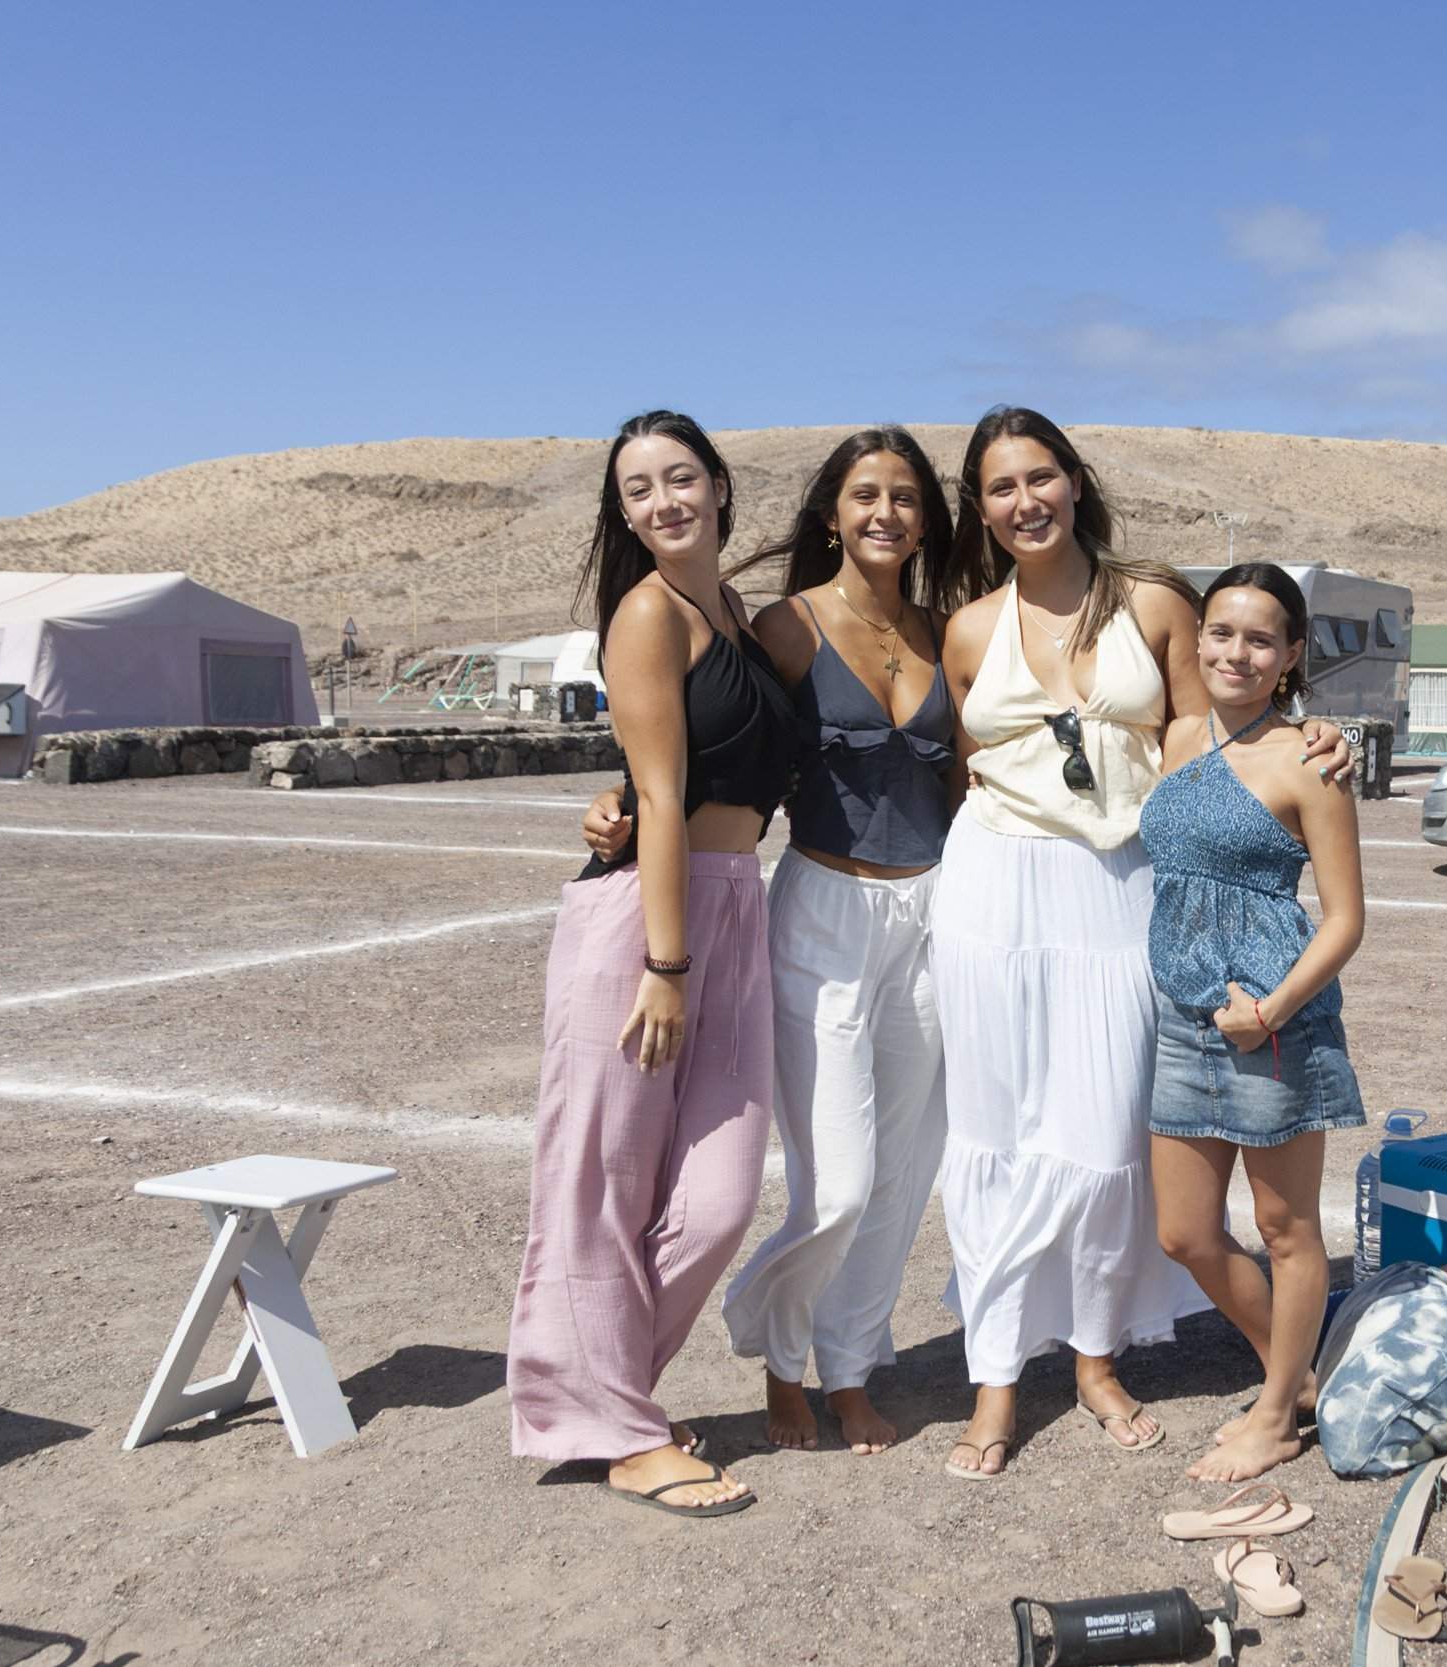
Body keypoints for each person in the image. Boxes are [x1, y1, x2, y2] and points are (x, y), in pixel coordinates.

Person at [929, 407, 1353, 1479]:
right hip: (992, 889)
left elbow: (1216, 736)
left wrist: (1319, 727)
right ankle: (996, 1370)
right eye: (998, 486)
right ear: (978, 508)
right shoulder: (968, 626)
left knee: (1108, 1140)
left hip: (1122, 896)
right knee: (1000, 1131)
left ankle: (1101, 1359)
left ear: (1074, 481)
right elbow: (945, 763)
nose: (1024, 499)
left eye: (1041, 475)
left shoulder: (1157, 602)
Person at [581, 427, 974, 1456]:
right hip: (819, 912)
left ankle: (848, 1366)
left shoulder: (948, 635)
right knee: (835, 1179)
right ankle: (777, 1351)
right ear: (831, 515)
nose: (882, 512)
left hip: (931, 916)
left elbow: (972, 779)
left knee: (901, 1175)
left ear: (923, 517)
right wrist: (618, 803)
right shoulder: (784, 626)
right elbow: (718, 738)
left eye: (901, 496)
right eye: (861, 496)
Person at [507, 410, 797, 1518]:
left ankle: (606, 1386)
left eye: (681, 478)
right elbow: (662, 796)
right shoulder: (642, 614)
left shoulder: (734, 612)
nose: (664, 501)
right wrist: (664, 962)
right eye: (639, 489)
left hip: (734, 901)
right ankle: (614, 1426)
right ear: (622, 512)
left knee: (718, 1198)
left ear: (720, 487)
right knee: (601, 1179)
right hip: (643, 919)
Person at [1141, 563, 1365, 1483]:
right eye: (1222, 632)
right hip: (1183, 1019)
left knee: (1287, 1228)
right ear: (1197, 640)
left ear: (1291, 656)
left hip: (1275, 1022)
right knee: (1185, 1232)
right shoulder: (1176, 735)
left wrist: (1267, 1009)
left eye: (1261, 638)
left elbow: (1346, 919)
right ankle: (1301, 1371)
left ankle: (1276, 1413)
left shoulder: (1312, 760)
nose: (1237, 651)